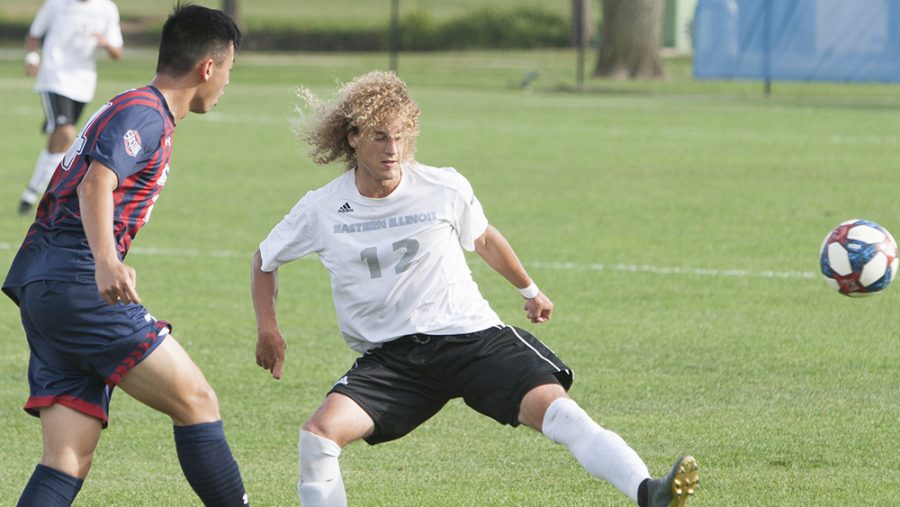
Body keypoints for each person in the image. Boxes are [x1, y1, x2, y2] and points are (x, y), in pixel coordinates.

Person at [250, 70, 700, 507]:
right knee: (318, 436)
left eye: (401, 137)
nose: (393, 150)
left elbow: (483, 238)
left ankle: (648, 492)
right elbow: (265, 260)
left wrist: (529, 290)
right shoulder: (323, 208)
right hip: (395, 358)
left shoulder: (442, 186)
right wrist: (268, 329)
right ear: (352, 137)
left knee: (558, 411)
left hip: (473, 338)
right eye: (380, 137)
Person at [3, 4, 249, 506]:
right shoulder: (145, 112)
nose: (226, 82)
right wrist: (105, 260)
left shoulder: (136, 107)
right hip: (77, 281)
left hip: (43, 288)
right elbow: (97, 184)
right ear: (208, 68)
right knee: (198, 401)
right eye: (228, 69)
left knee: (67, 458)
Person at [18, 0, 124, 216]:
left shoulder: (107, 8)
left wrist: (105, 44)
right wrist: (32, 57)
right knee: (66, 133)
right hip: (54, 77)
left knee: (58, 139)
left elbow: (117, 53)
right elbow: (34, 34)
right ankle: (55, 194)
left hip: (83, 84)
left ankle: (31, 192)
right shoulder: (56, 4)